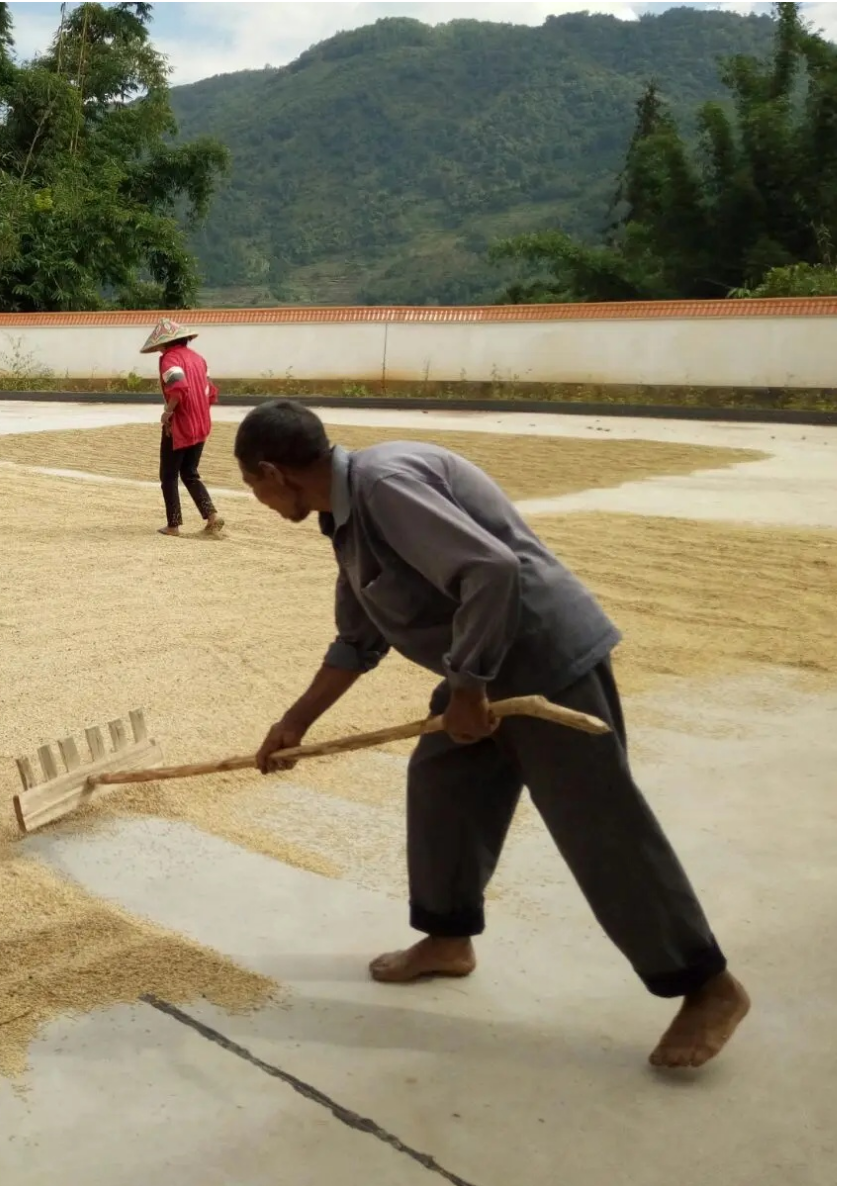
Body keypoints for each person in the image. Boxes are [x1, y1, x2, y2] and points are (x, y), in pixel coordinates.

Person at [234, 399, 749, 1070]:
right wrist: (295, 721)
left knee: (598, 823)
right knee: (443, 780)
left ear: (271, 472)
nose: (260, 501)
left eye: (251, 487)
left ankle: (706, 984)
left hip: (540, 659)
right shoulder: (347, 515)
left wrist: (470, 687)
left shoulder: (385, 487)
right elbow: (357, 639)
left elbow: (492, 570)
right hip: (481, 668)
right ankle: (448, 938)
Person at [140, 318, 224, 538]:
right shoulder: (198, 359)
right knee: (190, 473)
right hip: (201, 424)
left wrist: (168, 412)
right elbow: (211, 392)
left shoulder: (170, 359)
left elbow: (178, 389)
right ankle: (212, 515)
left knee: (168, 475)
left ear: (164, 343)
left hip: (180, 425)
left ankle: (173, 525)